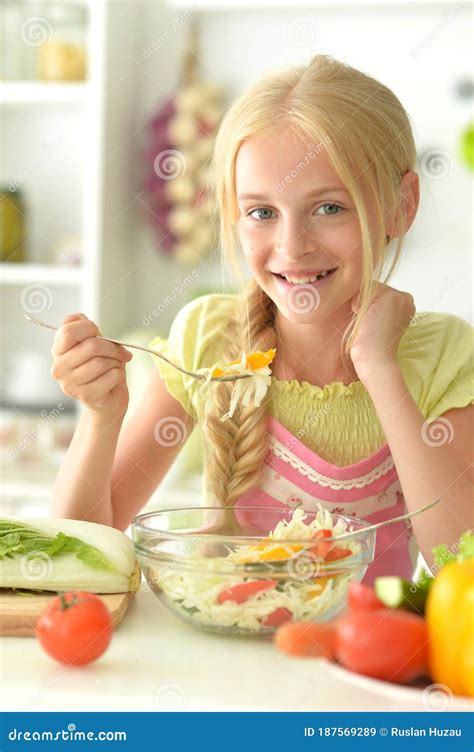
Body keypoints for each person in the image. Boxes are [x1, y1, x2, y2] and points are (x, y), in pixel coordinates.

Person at [50, 54, 473, 581]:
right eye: (262, 213)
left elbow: (459, 561)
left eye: (329, 208)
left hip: (366, 662)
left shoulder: (441, 356)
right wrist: (101, 417)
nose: (292, 248)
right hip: (227, 656)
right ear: (233, 214)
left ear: (400, 204)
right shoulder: (209, 342)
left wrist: (380, 368)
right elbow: (81, 554)